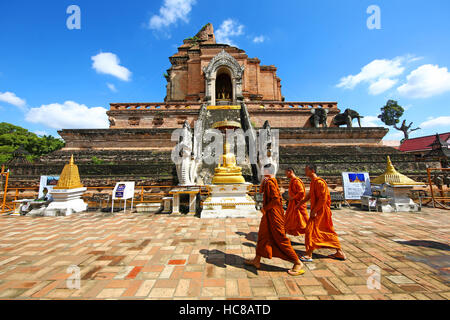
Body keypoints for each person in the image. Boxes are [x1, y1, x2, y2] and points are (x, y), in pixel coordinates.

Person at [244, 164, 305, 276]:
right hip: (269, 215)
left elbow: (276, 200)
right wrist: (263, 181)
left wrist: (265, 208)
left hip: (273, 214)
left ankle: (297, 262)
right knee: (263, 236)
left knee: (280, 237)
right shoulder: (269, 181)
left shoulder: (271, 182)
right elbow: (261, 191)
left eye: (263, 170)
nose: (262, 172)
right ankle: (256, 260)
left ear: (267, 170)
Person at [297, 164, 346, 262]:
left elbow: (323, 199)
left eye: (306, 170)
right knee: (324, 231)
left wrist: (314, 211)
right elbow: (310, 195)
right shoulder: (313, 182)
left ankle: (309, 254)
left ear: (312, 171)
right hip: (318, 210)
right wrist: (300, 203)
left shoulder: (319, 182)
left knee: (311, 231)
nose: (305, 172)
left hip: (321, 211)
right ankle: (339, 252)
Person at [284, 168, 309, 236]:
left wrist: (293, 197)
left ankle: (311, 232)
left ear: (290, 171)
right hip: (293, 204)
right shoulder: (293, 180)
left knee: (304, 220)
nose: (285, 174)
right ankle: (283, 234)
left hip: (298, 204)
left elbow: (301, 192)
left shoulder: (296, 181)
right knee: (288, 219)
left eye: (286, 173)